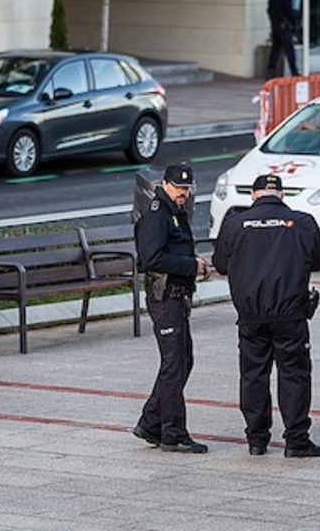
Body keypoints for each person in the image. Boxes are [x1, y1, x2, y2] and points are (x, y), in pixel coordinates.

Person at [212, 173, 320, 458]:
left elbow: (221, 265)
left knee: (253, 376)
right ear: (282, 195)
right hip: (290, 313)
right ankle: (297, 440)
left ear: (253, 196)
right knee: (294, 374)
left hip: (250, 314)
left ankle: (256, 439)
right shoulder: (302, 222)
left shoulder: (234, 224)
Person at [132, 163, 212, 454]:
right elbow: (151, 258)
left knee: (182, 361)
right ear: (165, 184)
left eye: (187, 189)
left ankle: (151, 422)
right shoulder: (156, 215)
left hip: (177, 295)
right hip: (164, 297)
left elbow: (175, 249)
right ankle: (173, 433)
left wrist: (195, 263)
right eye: (179, 188)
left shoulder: (174, 212)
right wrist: (191, 266)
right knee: (174, 364)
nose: (183, 193)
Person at [267, 0, 300, 79]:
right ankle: (294, 71)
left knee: (275, 49)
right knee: (289, 50)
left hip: (276, 25)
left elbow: (269, 10)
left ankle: (271, 71)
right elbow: (288, 11)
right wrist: (294, 24)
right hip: (284, 26)